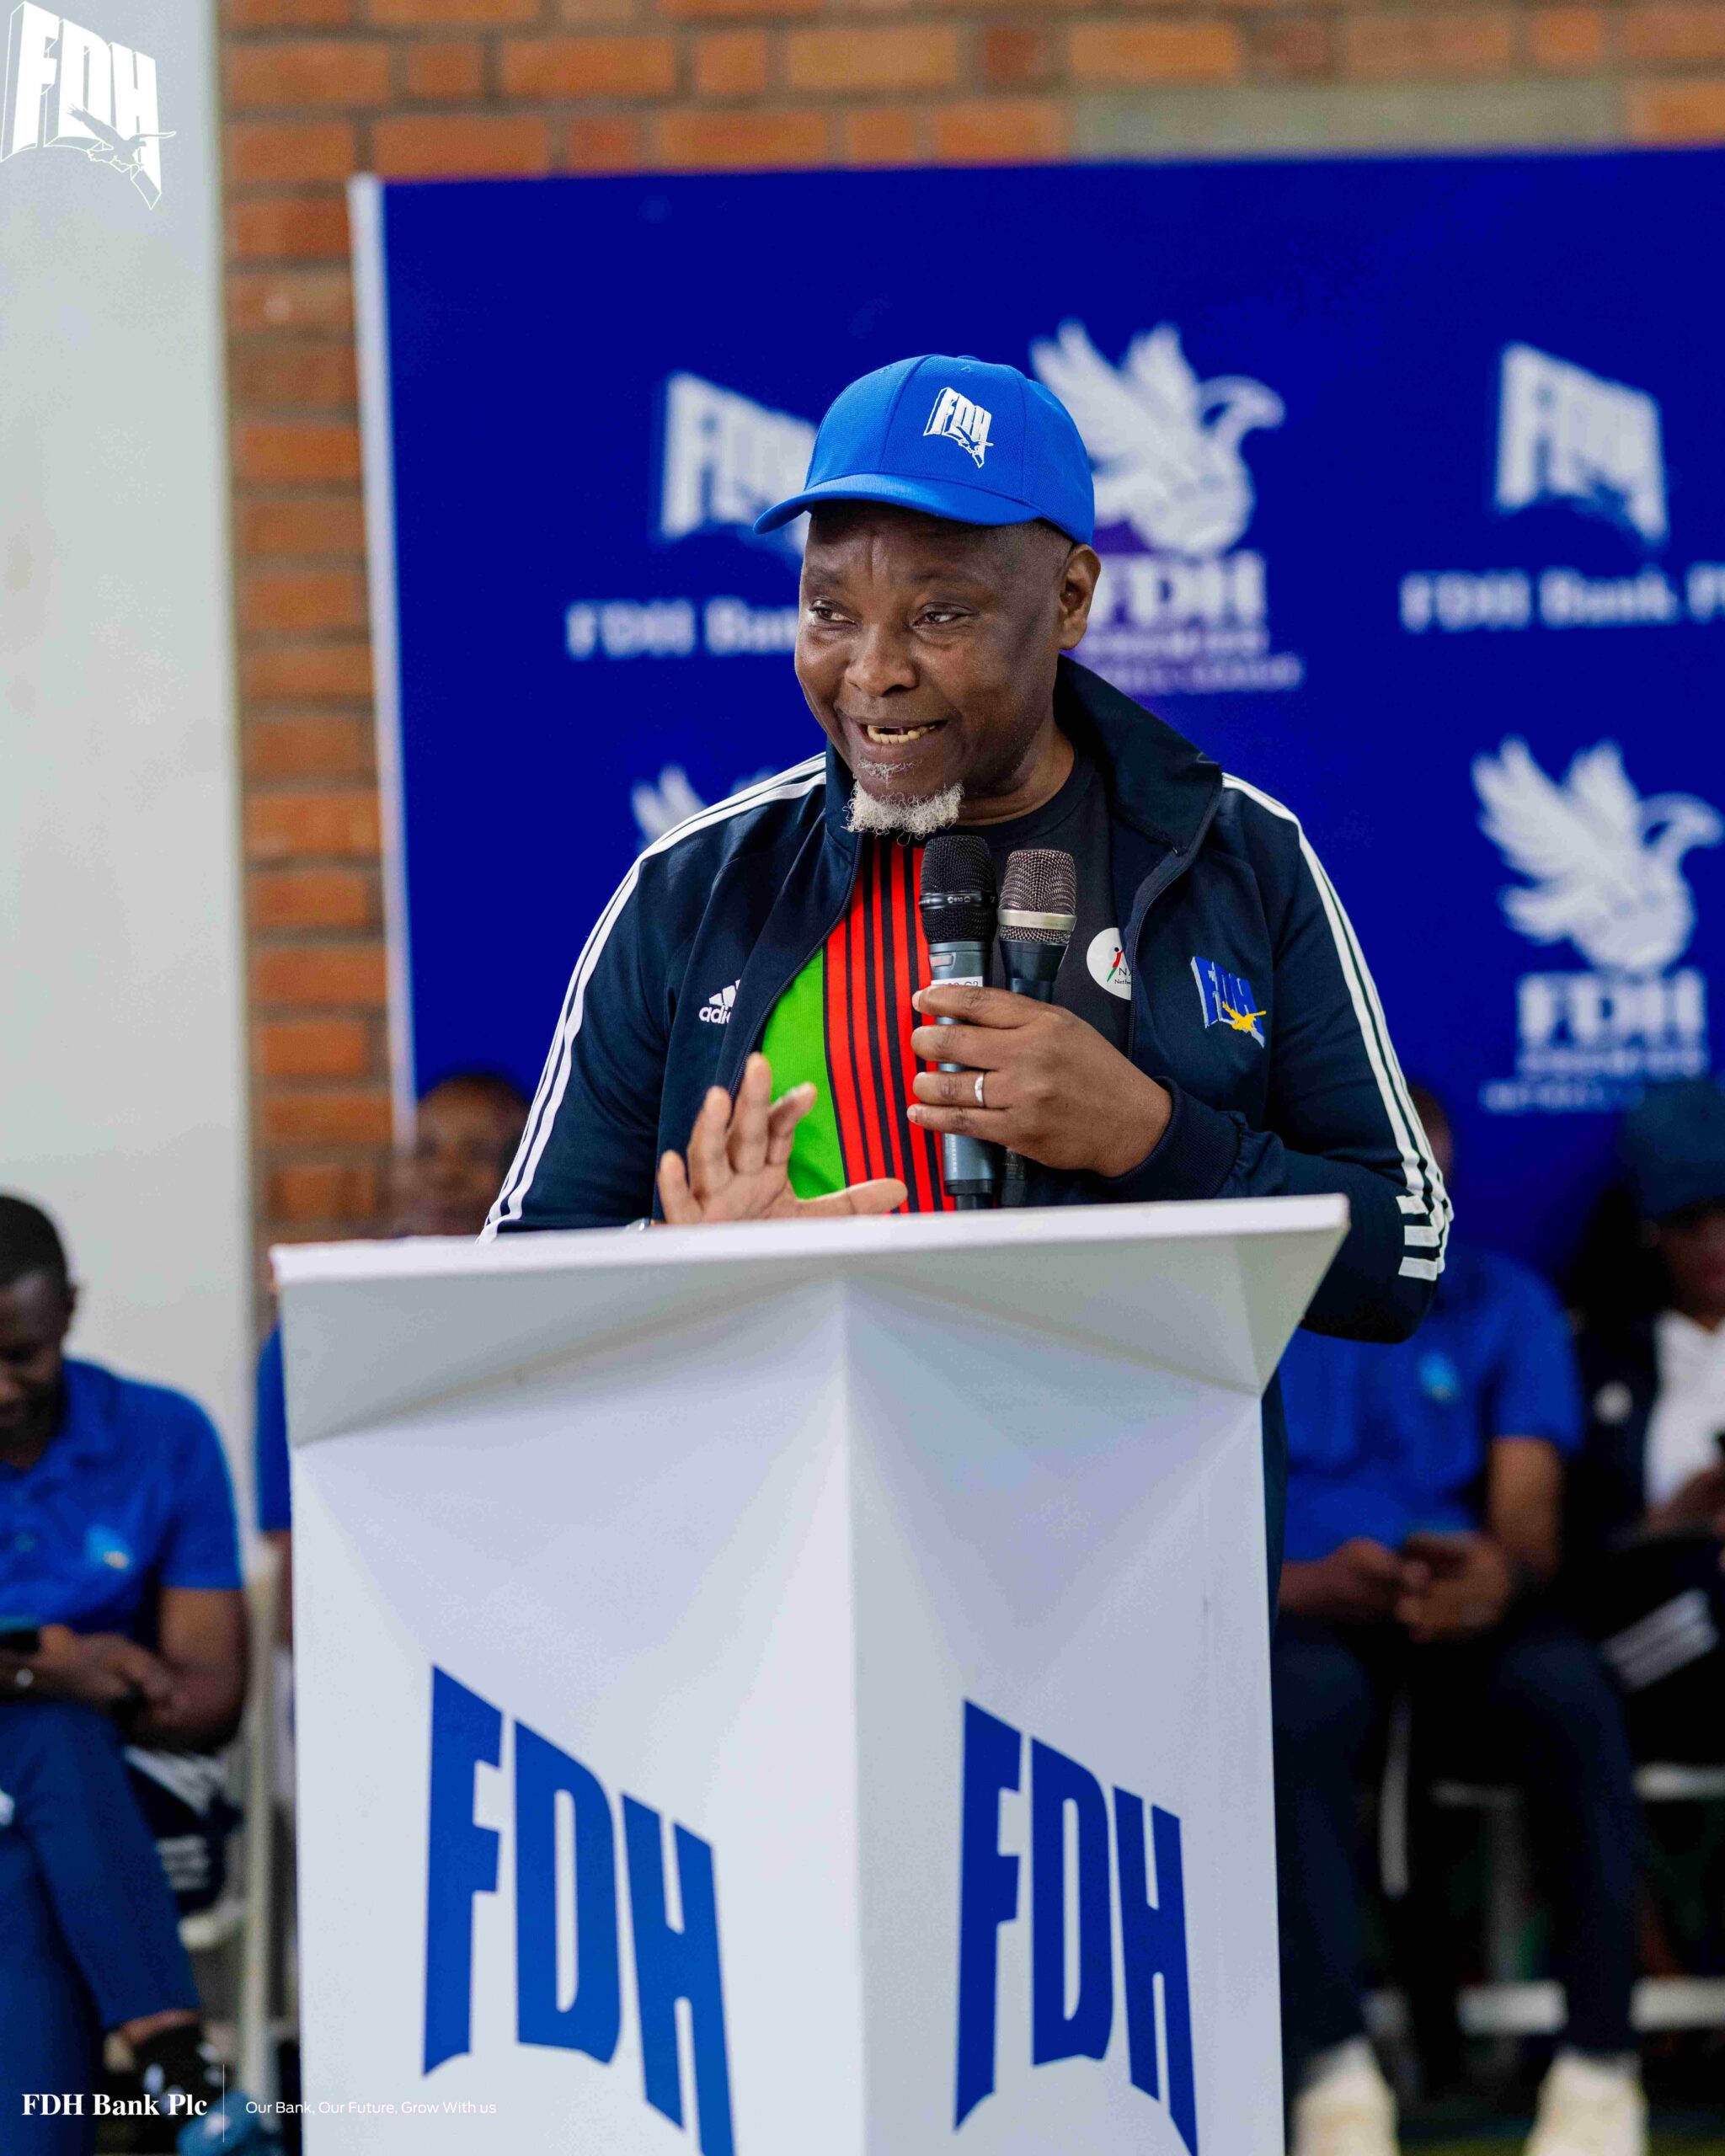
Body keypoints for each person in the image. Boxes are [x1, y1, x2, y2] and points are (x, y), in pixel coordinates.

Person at [483, 353, 1449, 1580]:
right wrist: (698, 1276)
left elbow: (1401, 1261)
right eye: (829, 611)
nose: (872, 670)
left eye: (939, 616)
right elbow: (516, 1308)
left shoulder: (1236, 859)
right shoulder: (696, 892)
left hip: (1145, 1597)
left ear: (1071, 598)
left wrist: (1153, 1137)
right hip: (798, 1590)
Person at [1271, 1091, 1642, 2156]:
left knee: (1570, 1691)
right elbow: (1194, 1506)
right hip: (1303, 1606)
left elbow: (1527, 1519)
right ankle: (1332, 2074)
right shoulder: (1252, 1299)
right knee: (1294, 1704)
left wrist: (1492, 1574)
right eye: (1381, 1183)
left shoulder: (1504, 1298)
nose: (1406, 1207)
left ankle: (1598, 2066)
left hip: (1458, 1613)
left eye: (1424, 1185)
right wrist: (1299, 1582)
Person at [0, 1197, 264, 2153]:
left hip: (135, 1785)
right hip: (75, 1771)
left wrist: (56, 1685)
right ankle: (178, 2067)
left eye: (22, 1354)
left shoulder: (161, 1434)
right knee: (45, 1738)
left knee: (28, 1814)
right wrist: (57, 1674)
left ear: (69, 1310)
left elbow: (207, 1695)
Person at [254, 1071, 530, 1561]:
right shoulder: (317, 1319)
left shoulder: (555, 1312)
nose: (445, 1174)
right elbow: (293, 1537)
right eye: (425, 1152)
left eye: (477, 1154)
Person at [1567, 1078, 1725, 1763]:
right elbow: (1561, 1556)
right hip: (1651, 1638)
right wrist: (1669, 1525)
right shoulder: (1595, 1357)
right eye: (1689, 1219)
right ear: (1651, 1229)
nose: (1715, 1240)